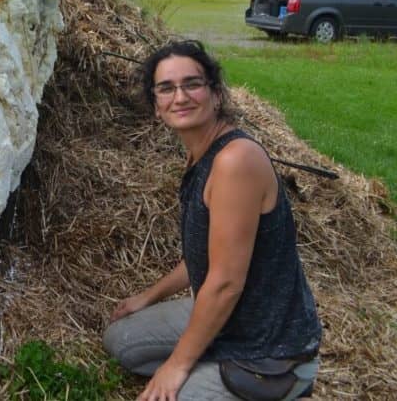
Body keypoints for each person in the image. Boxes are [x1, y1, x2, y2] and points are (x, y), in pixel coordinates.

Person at [103, 40, 321, 401]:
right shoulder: (199, 157)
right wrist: (148, 296)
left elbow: (224, 283)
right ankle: (207, 358)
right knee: (121, 340)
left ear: (216, 94)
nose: (180, 96)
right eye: (166, 88)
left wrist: (176, 366)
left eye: (192, 84)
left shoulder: (235, 161)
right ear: (157, 106)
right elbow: (206, 256)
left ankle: (282, 385)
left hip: (268, 349)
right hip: (230, 319)